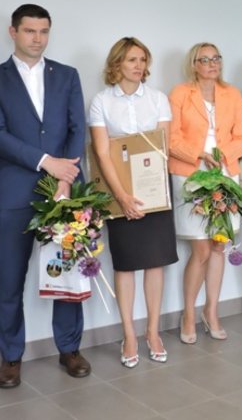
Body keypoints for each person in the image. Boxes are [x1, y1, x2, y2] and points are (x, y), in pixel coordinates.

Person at [0, 4, 89, 388]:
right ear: (13, 32)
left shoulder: (67, 75)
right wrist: (48, 163)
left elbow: (77, 129)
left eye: (44, 31)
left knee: (66, 272)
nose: (38, 38)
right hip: (14, 194)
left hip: (65, 191)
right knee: (9, 278)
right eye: (30, 31)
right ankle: (11, 357)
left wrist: (67, 179)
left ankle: (70, 348)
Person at [88, 37, 177, 367]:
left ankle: (153, 332)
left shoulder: (158, 99)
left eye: (142, 60)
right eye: (131, 60)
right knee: (125, 264)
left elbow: (161, 148)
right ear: (116, 64)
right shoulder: (101, 101)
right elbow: (102, 152)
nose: (139, 66)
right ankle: (128, 335)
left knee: (155, 262)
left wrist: (148, 195)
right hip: (117, 191)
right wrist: (122, 196)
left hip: (155, 189)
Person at [169, 43, 242, 343]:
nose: (212, 63)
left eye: (216, 58)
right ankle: (188, 314)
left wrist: (222, 155)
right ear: (194, 64)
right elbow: (171, 138)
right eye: (204, 59)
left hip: (225, 172)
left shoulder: (232, 94)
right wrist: (200, 155)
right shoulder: (180, 93)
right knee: (201, 249)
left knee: (218, 245)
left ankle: (211, 311)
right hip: (191, 175)